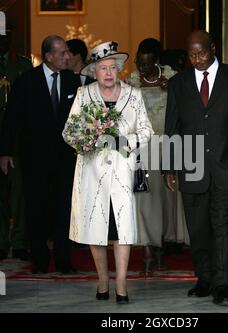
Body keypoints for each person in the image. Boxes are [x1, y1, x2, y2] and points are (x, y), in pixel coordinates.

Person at [163, 30, 228, 305]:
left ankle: (222, 283)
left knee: (222, 226)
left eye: (202, 53)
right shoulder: (179, 84)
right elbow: (172, 128)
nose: (197, 59)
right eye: (192, 55)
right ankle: (204, 278)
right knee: (198, 228)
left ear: (213, 48)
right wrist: (169, 167)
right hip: (191, 165)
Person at [63, 41, 153, 303]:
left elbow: (146, 130)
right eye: (103, 68)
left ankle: (122, 284)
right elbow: (69, 131)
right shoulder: (84, 95)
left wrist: (124, 142)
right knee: (96, 227)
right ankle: (103, 279)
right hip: (92, 173)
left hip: (123, 171)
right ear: (95, 71)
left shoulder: (133, 95)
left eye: (113, 67)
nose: (109, 72)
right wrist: (86, 140)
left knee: (122, 228)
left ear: (120, 69)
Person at [0, 35, 80, 274]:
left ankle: (64, 260)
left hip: (66, 158)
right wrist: (4, 152)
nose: (68, 56)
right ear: (49, 56)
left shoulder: (72, 82)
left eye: (67, 52)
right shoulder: (27, 81)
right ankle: (40, 260)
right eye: (63, 53)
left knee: (64, 209)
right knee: (36, 209)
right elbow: (11, 118)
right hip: (35, 159)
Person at [127, 38, 188, 275]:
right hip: (141, 150)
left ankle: (162, 247)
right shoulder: (130, 82)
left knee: (165, 202)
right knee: (143, 201)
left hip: (167, 147)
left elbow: (187, 111)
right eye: (139, 63)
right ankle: (147, 252)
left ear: (157, 61)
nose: (142, 68)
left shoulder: (174, 79)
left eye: (147, 64)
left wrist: (173, 90)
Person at [0, 28, 32, 261]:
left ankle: (20, 241)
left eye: (6, 35)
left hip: (18, 139)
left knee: (19, 194)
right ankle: (1, 241)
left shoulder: (22, 65)